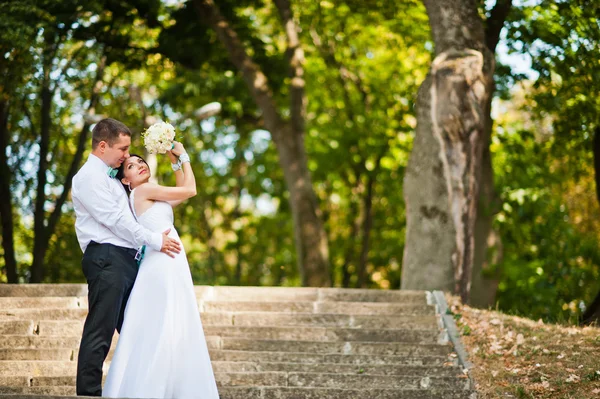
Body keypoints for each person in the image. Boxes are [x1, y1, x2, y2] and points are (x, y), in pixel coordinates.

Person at [72, 118, 182, 396]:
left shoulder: (111, 178)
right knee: (101, 328)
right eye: (122, 149)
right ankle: (89, 393)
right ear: (102, 146)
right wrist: (156, 240)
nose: (125, 156)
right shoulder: (88, 177)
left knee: (137, 327)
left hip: (128, 261)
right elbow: (116, 221)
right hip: (107, 258)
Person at [102, 142, 219, 398]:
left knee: (171, 319)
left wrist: (173, 159)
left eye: (141, 161)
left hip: (167, 260)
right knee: (166, 319)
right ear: (125, 180)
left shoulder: (147, 195)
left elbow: (180, 190)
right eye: (131, 165)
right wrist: (185, 155)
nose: (140, 165)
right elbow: (190, 190)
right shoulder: (143, 191)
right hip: (163, 262)